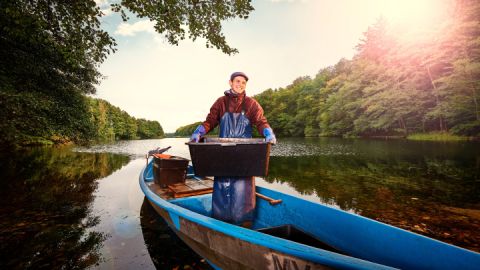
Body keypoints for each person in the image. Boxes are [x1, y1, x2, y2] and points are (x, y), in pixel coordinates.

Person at [190, 72, 276, 227]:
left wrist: (268, 132)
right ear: (230, 82)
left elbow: (261, 122)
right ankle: (220, 222)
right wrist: (200, 131)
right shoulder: (221, 102)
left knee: (244, 191)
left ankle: (244, 223)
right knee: (222, 187)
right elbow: (210, 121)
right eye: (238, 81)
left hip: (244, 155)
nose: (240, 84)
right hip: (223, 154)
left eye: (244, 82)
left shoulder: (252, 104)